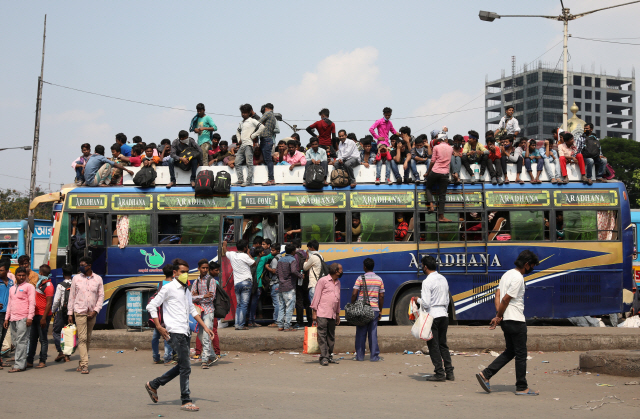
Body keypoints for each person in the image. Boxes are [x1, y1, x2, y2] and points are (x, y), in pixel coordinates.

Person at [145, 259, 216, 412]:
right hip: (174, 330)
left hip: (184, 331)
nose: (185, 275)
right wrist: (158, 326)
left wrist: (205, 327)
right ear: (175, 273)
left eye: (187, 272)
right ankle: (186, 399)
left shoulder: (186, 290)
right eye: (182, 272)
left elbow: (192, 309)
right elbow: (151, 305)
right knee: (186, 367)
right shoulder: (168, 288)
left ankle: (154, 384)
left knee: (183, 365)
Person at [476, 250, 540, 396]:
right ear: (526, 264)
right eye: (531, 265)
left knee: (511, 351)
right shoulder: (518, 278)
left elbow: (497, 295)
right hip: (516, 320)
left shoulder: (507, 274)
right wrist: (499, 316)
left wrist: (499, 315)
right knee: (521, 354)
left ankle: (485, 374)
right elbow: (505, 299)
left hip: (506, 320)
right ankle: (522, 387)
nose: (532, 268)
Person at [67, 256, 104, 374]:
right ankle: (84, 364)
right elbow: (71, 296)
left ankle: (82, 361)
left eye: (83, 265)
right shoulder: (76, 279)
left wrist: (95, 311)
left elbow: (101, 296)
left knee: (87, 338)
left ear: (89, 266)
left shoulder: (98, 279)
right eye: (80, 265)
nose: (81, 267)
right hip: (79, 311)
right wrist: (70, 313)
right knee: (82, 338)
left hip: (92, 313)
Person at [419, 256, 454, 381]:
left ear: (426, 267)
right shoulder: (443, 279)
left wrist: (417, 300)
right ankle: (449, 372)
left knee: (433, 345)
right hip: (444, 315)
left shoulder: (427, 282)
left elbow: (426, 303)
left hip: (432, 316)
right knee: (443, 344)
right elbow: (447, 299)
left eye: (422, 265)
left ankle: (439, 373)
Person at [352, 258, 384, 362]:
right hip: (374, 309)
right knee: (373, 333)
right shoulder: (379, 279)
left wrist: (353, 305)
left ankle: (360, 356)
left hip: (362, 309)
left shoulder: (360, 278)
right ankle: (374, 356)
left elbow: (354, 293)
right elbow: (382, 296)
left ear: (364, 267)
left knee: (361, 333)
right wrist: (380, 310)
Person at [4, 266, 35, 372]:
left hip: (24, 317)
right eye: (19, 275)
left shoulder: (29, 287)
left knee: (22, 341)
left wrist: (30, 317)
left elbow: (32, 303)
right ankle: (23, 362)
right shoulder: (12, 288)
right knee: (16, 341)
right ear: (15, 276)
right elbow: (9, 303)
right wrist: (6, 318)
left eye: (23, 275)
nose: (21, 277)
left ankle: (19, 365)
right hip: (13, 318)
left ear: (26, 276)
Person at [310, 263, 342, 366]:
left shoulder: (338, 283)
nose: (342, 271)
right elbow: (317, 296)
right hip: (322, 313)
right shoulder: (323, 281)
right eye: (340, 270)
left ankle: (329, 356)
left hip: (332, 314)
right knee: (322, 335)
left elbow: (337, 299)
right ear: (335, 271)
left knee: (331, 336)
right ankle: (323, 357)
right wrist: (314, 312)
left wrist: (337, 314)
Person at [220, 240, 255, 330]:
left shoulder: (232, 254)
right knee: (244, 305)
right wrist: (248, 253)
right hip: (246, 282)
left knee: (239, 305)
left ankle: (237, 324)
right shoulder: (245, 256)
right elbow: (253, 263)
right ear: (245, 248)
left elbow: (225, 250)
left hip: (237, 283)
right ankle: (241, 325)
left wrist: (224, 244)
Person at [26, 264, 54, 369]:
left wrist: (43, 318)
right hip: (35, 315)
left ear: (41, 273)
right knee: (33, 338)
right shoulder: (40, 284)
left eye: (39, 273)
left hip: (43, 316)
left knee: (43, 339)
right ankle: (30, 361)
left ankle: (42, 361)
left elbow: (49, 303)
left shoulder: (49, 286)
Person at [191, 259, 217, 369]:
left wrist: (198, 296)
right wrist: (202, 296)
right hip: (199, 311)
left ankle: (205, 360)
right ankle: (212, 355)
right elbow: (190, 298)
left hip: (208, 310)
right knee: (201, 335)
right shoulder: (196, 281)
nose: (205, 270)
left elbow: (211, 297)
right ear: (199, 269)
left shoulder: (211, 280)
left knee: (206, 335)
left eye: (207, 268)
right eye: (203, 268)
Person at [150, 264, 175, 365]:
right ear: (174, 272)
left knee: (156, 336)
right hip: (168, 313)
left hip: (158, 314)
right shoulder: (174, 284)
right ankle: (167, 357)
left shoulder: (160, 284)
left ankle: (156, 357)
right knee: (167, 335)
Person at [424, 136, 453, 222]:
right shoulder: (450, 148)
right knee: (442, 195)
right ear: (446, 140)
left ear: (439, 140)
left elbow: (432, 161)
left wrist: (428, 172)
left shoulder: (436, 147)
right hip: (445, 173)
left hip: (435, 171)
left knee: (428, 187)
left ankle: (431, 205)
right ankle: (441, 216)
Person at [276, 243, 302, 331]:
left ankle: (280, 325)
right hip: (289, 286)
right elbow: (294, 271)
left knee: (281, 306)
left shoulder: (280, 260)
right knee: (289, 307)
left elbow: (276, 272)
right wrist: (301, 276)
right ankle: (287, 326)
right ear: (292, 251)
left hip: (281, 286)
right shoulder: (292, 259)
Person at [251, 103, 278, 186]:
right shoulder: (273, 116)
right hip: (268, 139)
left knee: (268, 159)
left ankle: (271, 179)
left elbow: (258, 123)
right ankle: (270, 178)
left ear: (266, 108)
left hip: (266, 139)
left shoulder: (267, 114)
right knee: (267, 159)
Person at [234, 104, 261, 187]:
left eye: (245, 113)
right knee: (237, 162)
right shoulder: (241, 122)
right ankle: (240, 180)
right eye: (242, 113)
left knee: (249, 163)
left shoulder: (252, 120)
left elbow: (262, 127)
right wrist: (239, 140)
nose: (243, 114)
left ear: (249, 113)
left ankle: (249, 181)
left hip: (249, 145)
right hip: (242, 145)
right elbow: (237, 131)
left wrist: (253, 136)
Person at [264, 243, 283, 327]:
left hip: (275, 283)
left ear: (278, 251)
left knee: (276, 303)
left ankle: (276, 321)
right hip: (281, 283)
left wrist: (267, 266)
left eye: (273, 250)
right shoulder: (282, 258)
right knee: (280, 302)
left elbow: (274, 271)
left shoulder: (275, 259)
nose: (271, 251)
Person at [0, 260, 14, 366]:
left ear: (7, 271)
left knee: (3, 336)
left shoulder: (11, 282)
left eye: (1, 270)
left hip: (7, 314)